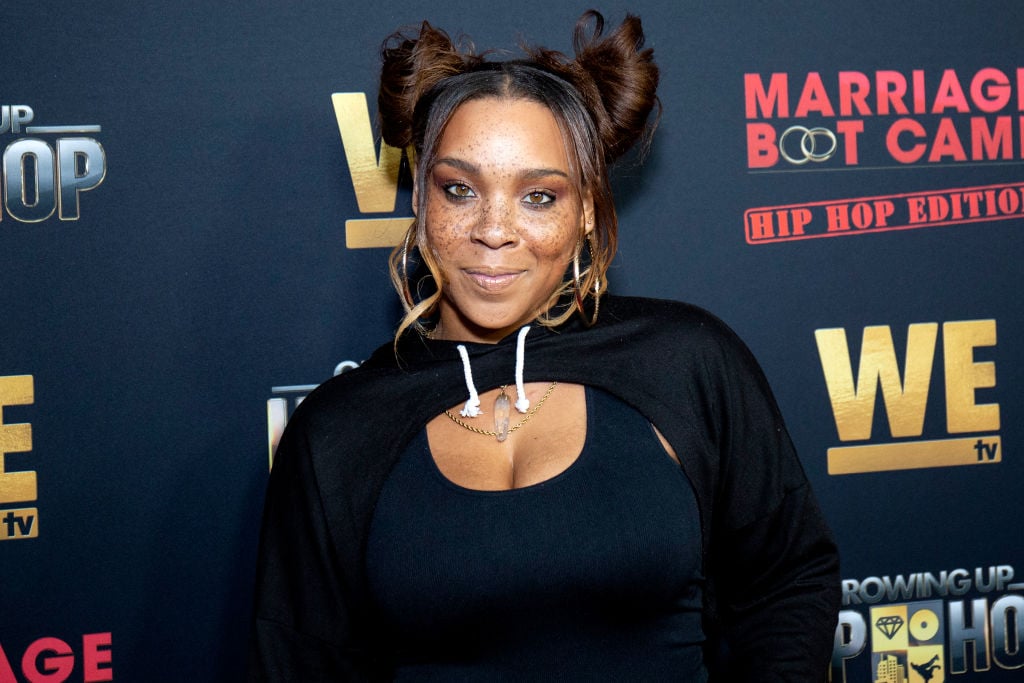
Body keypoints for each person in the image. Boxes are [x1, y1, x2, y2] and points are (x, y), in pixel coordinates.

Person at [249, 10, 840, 682]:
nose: (494, 230)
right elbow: (296, 663)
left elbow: (788, 582)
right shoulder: (337, 431)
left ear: (584, 209)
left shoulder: (686, 363)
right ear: (420, 200)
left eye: (537, 196)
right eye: (459, 190)